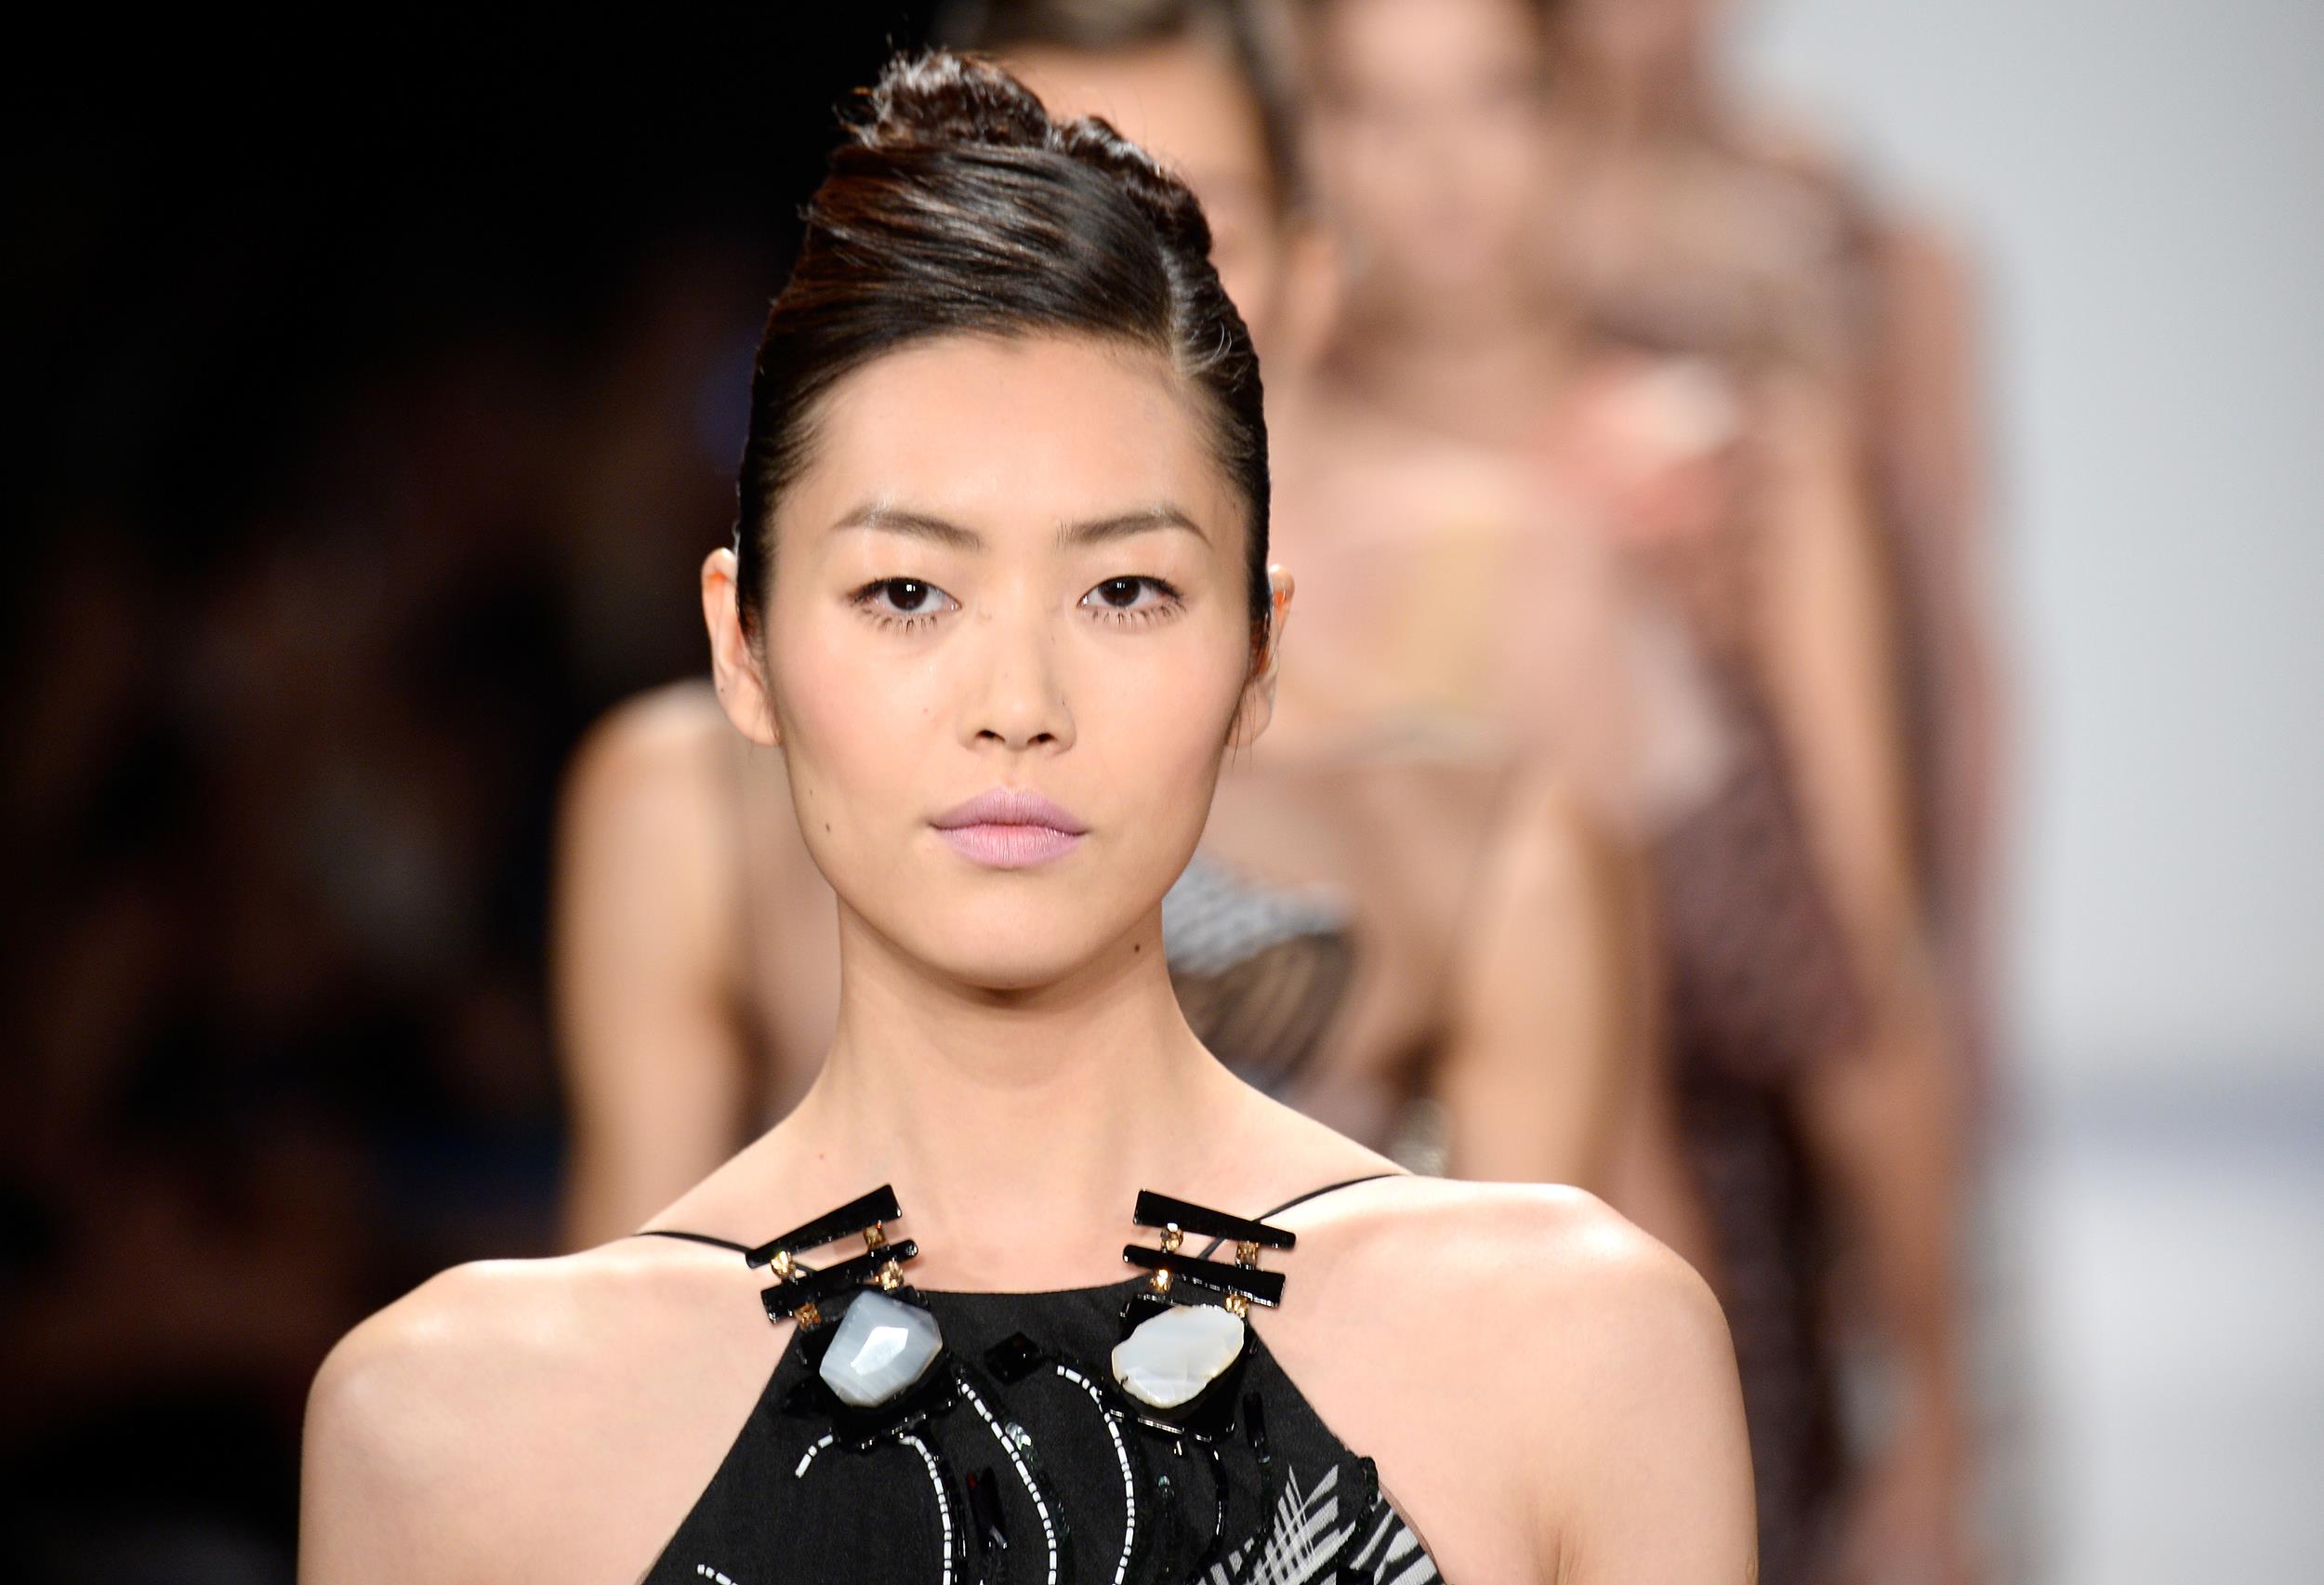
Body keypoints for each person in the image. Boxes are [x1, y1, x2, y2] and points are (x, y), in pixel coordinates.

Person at [299, 50, 1754, 1583]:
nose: (1018, 701)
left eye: (1123, 589)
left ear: (1257, 654)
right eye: (906, 591)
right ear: (745, 648)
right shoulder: (455, 1430)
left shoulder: (1577, 1354)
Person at [553, 0, 1642, 1253]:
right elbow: (628, 1309)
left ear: (1305, 276)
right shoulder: (690, 802)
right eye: (1020, 214)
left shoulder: (1485, 842)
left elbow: (1574, 1278)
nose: (1080, 280)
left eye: (1184, 225)